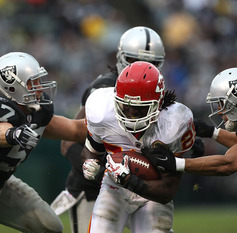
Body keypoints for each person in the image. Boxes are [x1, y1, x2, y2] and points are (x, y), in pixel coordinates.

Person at [0, 52, 87, 233]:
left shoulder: (35, 109)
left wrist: (111, 125)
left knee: (50, 227)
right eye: (32, 83)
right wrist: (13, 134)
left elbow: (74, 130)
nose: (39, 87)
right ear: (11, 86)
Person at [51, 26, 166, 233]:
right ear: (121, 58)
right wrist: (105, 171)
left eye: (152, 63)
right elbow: (68, 144)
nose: (143, 67)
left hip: (137, 187)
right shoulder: (104, 89)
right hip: (94, 189)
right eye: (134, 60)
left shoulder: (157, 90)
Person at [81, 61, 196, 232]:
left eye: (139, 108)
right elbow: (91, 150)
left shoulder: (174, 122)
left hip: (153, 192)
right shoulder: (101, 110)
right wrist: (89, 164)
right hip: (114, 187)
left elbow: (168, 190)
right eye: (126, 107)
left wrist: (131, 181)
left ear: (158, 104)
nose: (131, 114)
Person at [145, 67, 237, 197]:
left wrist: (175, 163)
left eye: (223, 103)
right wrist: (210, 132)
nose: (220, 110)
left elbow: (228, 164)